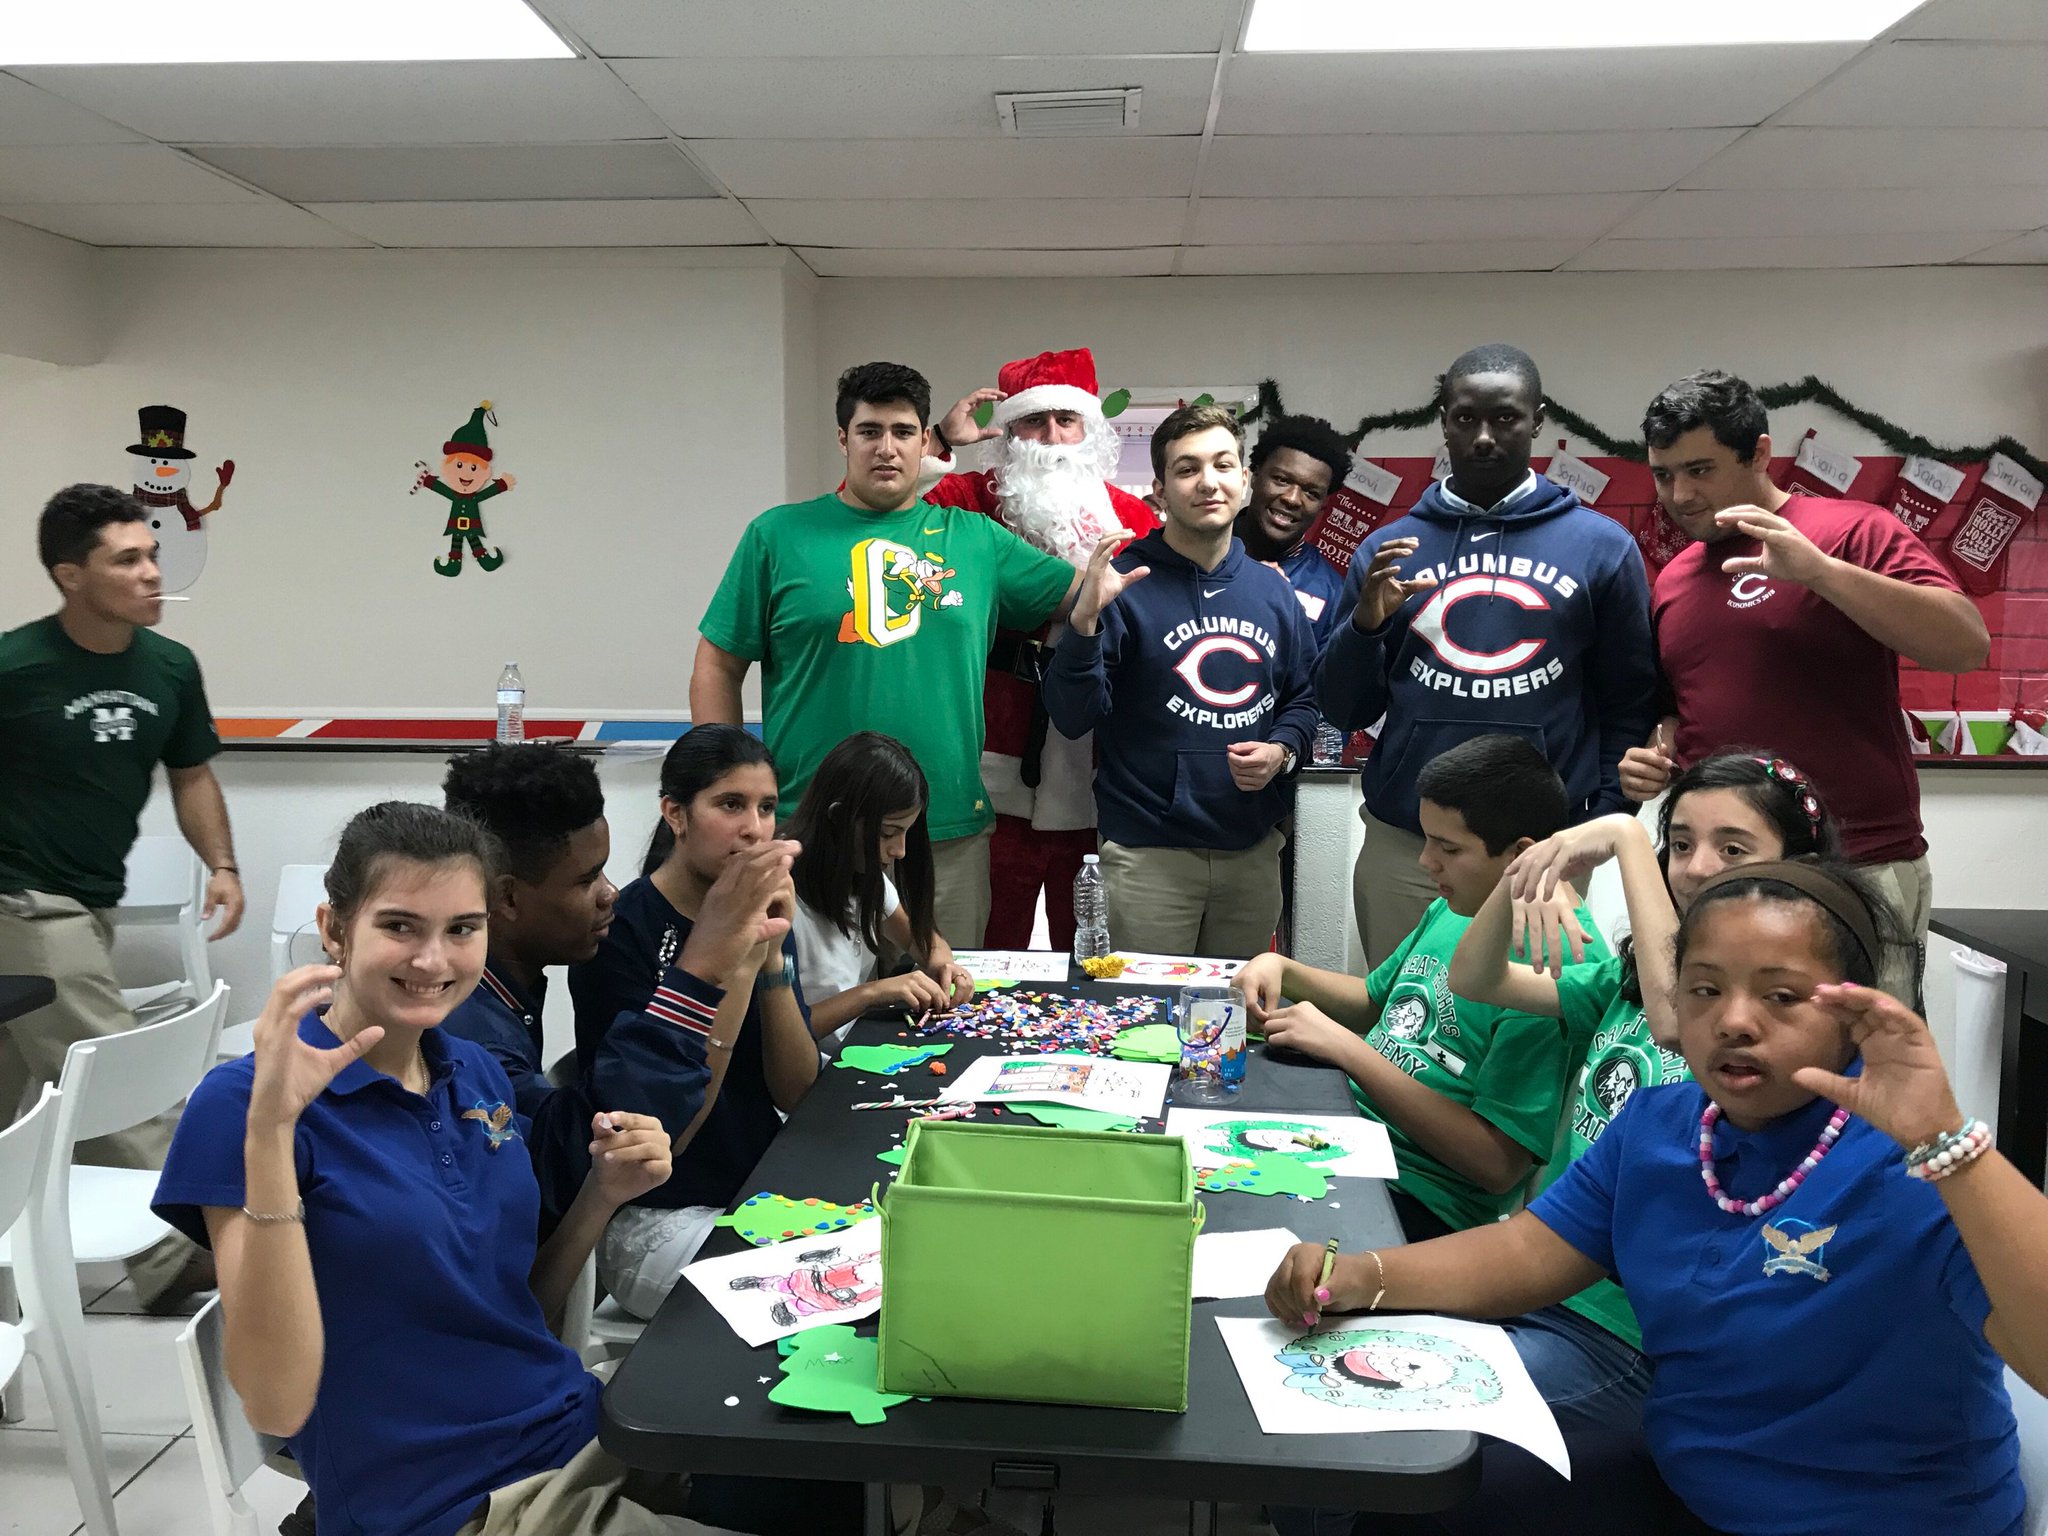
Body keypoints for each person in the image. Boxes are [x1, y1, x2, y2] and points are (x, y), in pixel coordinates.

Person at [1265, 859, 2029, 1536]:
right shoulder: (1664, 1124)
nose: (1734, 1021)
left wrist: (1949, 1145)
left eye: (1781, 996)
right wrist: (1362, 1276)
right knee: (1407, 1497)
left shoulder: (1915, 1164)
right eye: (1705, 989)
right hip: (1692, 1490)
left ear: (1852, 1009)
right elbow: (1528, 1249)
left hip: (1882, 1516)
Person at [150, 802, 854, 1536]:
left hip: (577, 1433)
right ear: (334, 929)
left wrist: (600, 1197)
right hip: (450, 1502)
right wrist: (270, 1134)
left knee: (851, 1482)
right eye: (400, 926)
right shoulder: (246, 1106)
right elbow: (275, 1405)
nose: (434, 960)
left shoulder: (472, 1072)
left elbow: (517, 1311)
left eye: (462, 929)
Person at [1440, 755, 1839, 1444]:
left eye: (1732, 849)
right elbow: (1475, 978)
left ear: (1798, 869)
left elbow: (1676, 1023)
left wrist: (1626, 836)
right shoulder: (1622, 982)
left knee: (1402, 1425)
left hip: (1628, 1335)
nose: (1695, 868)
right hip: (1541, 1288)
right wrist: (1525, 876)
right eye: (1679, 844)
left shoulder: (1787, 1015)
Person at [691, 362, 1098, 950]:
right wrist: (729, 786)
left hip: (946, 829)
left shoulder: (976, 539)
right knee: (806, 1000)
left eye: (903, 432)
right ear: (843, 439)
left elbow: (1089, 594)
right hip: (810, 828)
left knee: (945, 994)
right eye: (869, 431)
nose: (887, 448)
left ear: (923, 440)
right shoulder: (777, 535)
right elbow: (717, 663)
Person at [1624, 369, 1990, 1005]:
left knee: (1868, 1052)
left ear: (1759, 454)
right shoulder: (1676, 578)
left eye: (1700, 470)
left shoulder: (1852, 531)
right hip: (1720, 869)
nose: (1680, 494)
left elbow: (1965, 644)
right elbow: (1681, 708)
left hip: (1857, 863)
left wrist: (1821, 573)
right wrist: (1656, 754)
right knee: (1730, 1050)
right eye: (1664, 475)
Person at [1314, 344, 1657, 966]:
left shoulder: (1601, 547)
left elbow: (1628, 702)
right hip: (1409, 847)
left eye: (1505, 419)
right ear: (1443, 421)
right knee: (1404, 1014)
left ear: (1537, 420)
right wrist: (1364, 626)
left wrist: (1599, 823)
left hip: (1540, 850)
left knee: (1523, 1019)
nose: (1483, 438)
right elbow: (1343, 709)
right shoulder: (1390, 548)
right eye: (1466, 419)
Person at [0, 482, 245, 1309]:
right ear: (71, 576)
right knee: (115, 1070)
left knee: (10, 1103)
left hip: (88, 901)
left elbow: (192, 774)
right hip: (22, 901)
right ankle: (181, 1255)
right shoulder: (14, 667)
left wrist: (222, 865)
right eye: (127, 559)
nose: (151, 574)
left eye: (152, 556)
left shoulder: (169, 667)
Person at [1236, 735, 1597, 1241]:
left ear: (1521, 855)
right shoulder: (1458, 905)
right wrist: (1282, 967)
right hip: (1342, 1130)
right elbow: (1373, 1002)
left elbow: (1497, 1165)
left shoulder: (1555, 965)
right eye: (1427, 840)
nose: (1427, 861)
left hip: (1420, 1198)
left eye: (1449, 848)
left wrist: (1349, 1052)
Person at [1043, 403, 1318, 959]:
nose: (1208, 482)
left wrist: (1282, 751)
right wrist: (1084, 622)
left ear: (1245, 479)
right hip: (1146, 857)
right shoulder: (1125, 584)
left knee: (1238, 1007)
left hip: (1251, 853)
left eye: (1223, 465)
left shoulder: (1273, 592)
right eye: (1188, 469)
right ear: (1161, 491)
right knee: (1139, 1011)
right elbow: (1071, 717)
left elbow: (1304, 700)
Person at [568, 726, 820, 1320]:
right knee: (819, 1299)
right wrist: (733, 969)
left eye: (766, 808)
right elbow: (667, 1134)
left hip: (754, 1190)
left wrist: (772, 961)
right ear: (675, 814)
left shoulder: (762, 909)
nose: (754, 828)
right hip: (657, 1210)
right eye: (730, 805)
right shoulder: (622, 932)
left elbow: (798, 1091)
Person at [917, 348, 1160, 952]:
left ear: (1088, 430)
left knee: (1094, 951)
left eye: (1066, 420)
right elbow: (869, 513)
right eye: (1033, 421)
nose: (1051, 436)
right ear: (1009, 433)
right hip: (995, 749)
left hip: (1098, 762)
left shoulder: (1132, 516)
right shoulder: (967, 500)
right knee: (989, 947)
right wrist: (939, 442)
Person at [436, 743, 629, 1220]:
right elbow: (559, 1165)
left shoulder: (504, 985)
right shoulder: (474, 1042)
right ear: (506, 898)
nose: (610, 893)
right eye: (587, 879)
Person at [783, 731, 975, 1042]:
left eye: (905, 833)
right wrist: (872, 994)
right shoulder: (781, 900)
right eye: (887, 833)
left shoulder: (865, 879)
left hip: (854, 1047)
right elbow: (778, 1037)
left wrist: (945, 967)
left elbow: (922, 940)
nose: (900, 850)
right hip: (811, 1064)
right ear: (838, 817)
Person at [1235, 412, 1352, 652]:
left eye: (1311, 493)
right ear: (1254, 476)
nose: (1292, 499)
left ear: (1323, 504)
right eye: (1281, 479)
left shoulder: (1331, 592)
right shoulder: (1195, 550)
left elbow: (1327, 673)